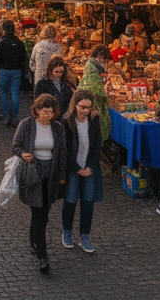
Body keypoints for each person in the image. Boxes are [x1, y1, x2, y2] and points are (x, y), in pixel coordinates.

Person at [13, 93, 67, 273]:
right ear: (36, 110)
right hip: (33, 173)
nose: (48, 116)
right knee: (37, 212)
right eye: (45, 112)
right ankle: (42, 255)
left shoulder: (58, 128)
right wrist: (23, 154)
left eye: (51, 112)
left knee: (44, 211)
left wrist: (61, 175)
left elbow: (62, 153)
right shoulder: (26, 125)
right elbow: (16, 145)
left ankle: (33, 237)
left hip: (50, 174)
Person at [62, 89, 102, 254]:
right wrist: (77, 169)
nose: (86, 111)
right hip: (73, 168)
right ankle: (67, 231)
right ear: (75, 105)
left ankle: (85, 235)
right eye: (83, 107)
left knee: (88, 201)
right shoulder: (67, 122)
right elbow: (64, 150)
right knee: (70, 200)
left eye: (89, 107)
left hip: (89, 167)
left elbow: (98, 145)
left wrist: (89, 167)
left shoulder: (94, 119)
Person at [0, 20, 27, 127]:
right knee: (15, 93)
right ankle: (15, 116)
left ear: (4, 30)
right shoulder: (19, 42)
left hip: (4, 71)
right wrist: (21, 70)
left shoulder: (2, 42)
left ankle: (6, 116)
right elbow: (24, 58)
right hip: (16, 71)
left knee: (4, 94)